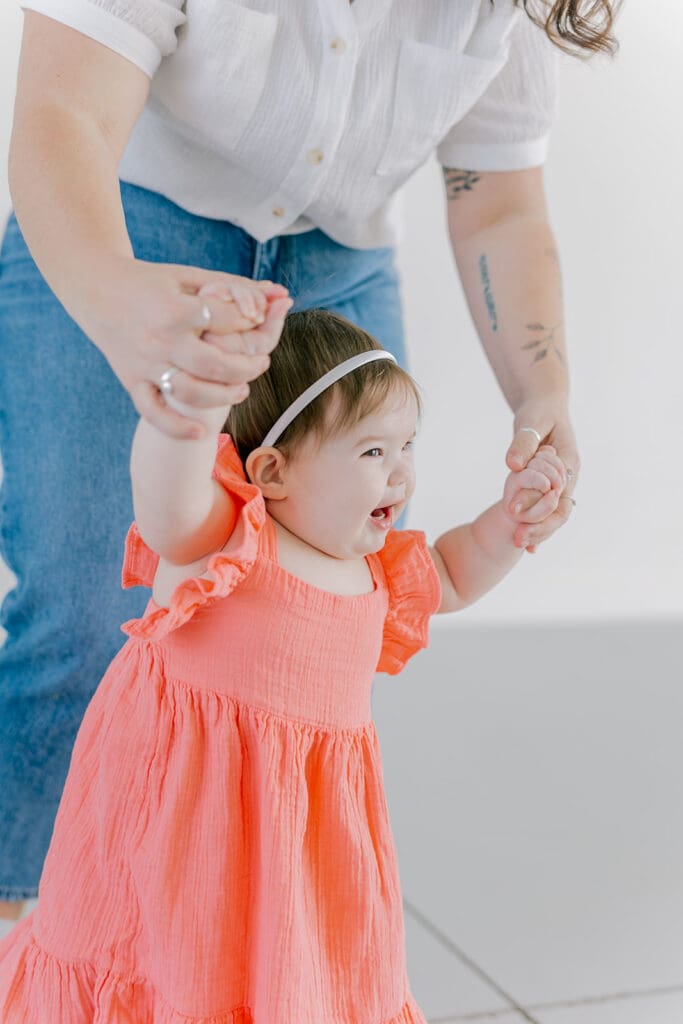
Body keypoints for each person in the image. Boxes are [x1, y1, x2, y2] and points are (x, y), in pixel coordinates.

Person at [0, 0, 616, 924]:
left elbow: (497, 205)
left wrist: (543, 396)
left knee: (322, 627)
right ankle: (31, 928)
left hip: (340, 263)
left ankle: (220, 919)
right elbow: (64, 114)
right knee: (91, 614)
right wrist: (115, 297)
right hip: (128, 225)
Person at [0, 302, 570, 1022]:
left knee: (288, 961)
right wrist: (187, 407)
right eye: (371, 452)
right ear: (269, 470)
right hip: (180, 812)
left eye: (407, 446)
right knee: (165, 954)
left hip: (307, 823)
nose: (400, 475)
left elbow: (453, 574)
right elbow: (164, 502)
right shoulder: (227, 540)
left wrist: (511, 522)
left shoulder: (377, 567)